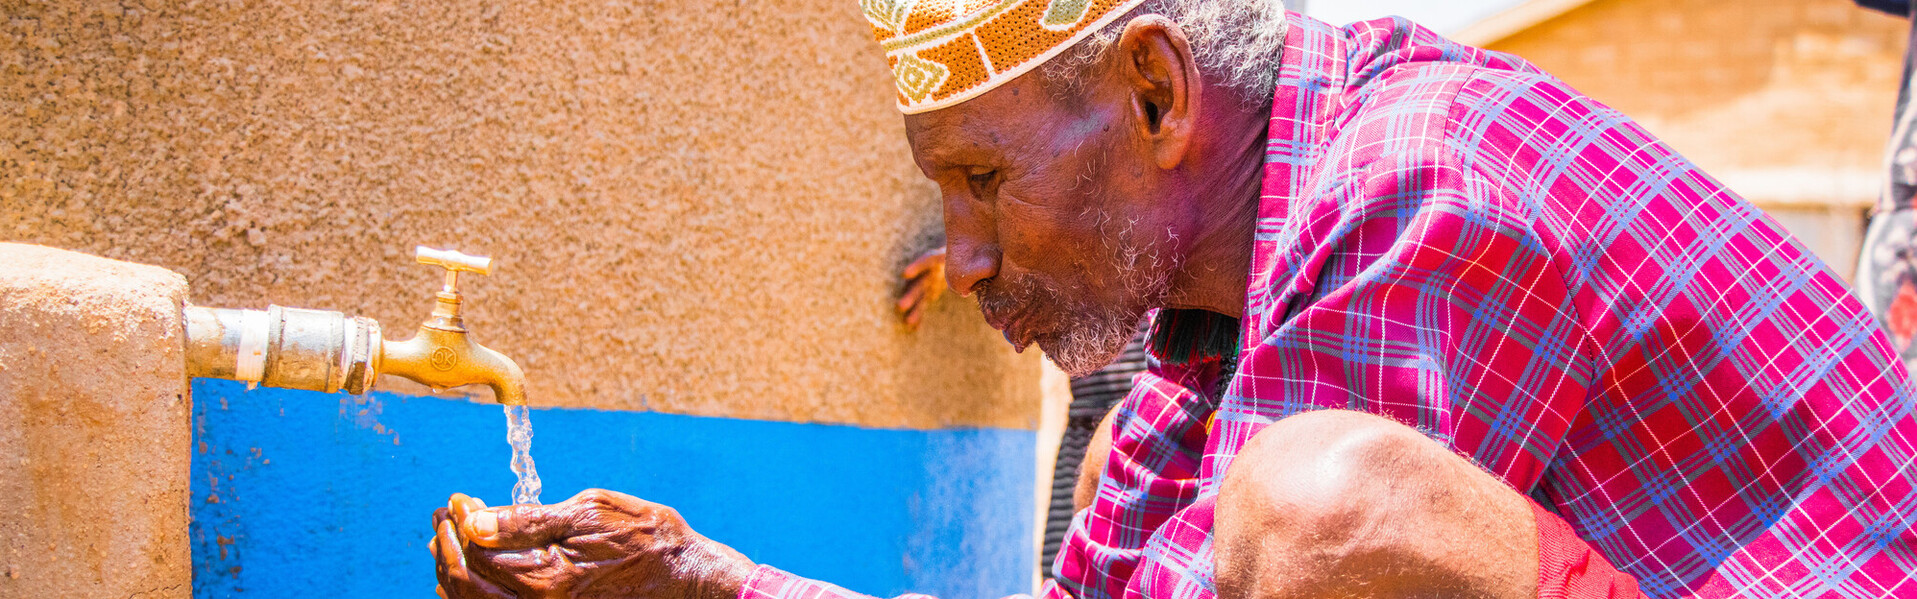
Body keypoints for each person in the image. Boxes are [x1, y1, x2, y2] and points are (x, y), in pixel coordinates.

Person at [429, 2, 1917, 598]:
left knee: (1330, 498)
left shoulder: (1418, 188)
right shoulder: (1208, 317)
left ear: (1151, 93)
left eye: (983, 182)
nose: (957, 256)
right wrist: (702, 580)